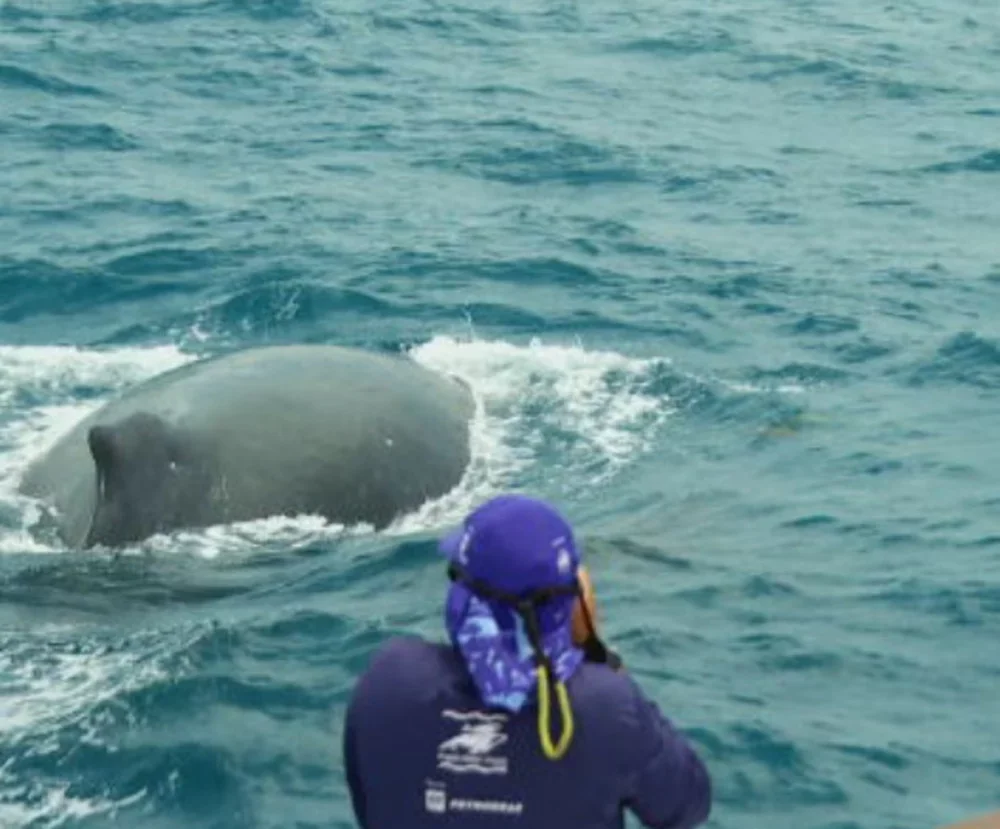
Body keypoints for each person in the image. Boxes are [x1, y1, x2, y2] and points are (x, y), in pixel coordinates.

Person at [342, 494, 712, 829]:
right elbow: (686, 806)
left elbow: (369, 800)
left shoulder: (389, 679)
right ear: (569, 602)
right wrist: (591, 652)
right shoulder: (607, 705)